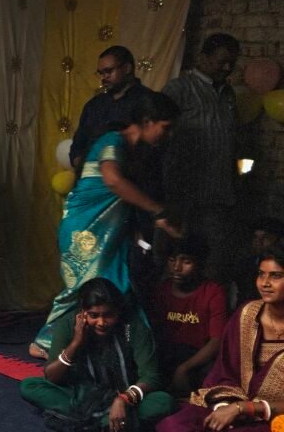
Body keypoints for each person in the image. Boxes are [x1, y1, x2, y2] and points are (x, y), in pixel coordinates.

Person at [31, 92, 182, 359]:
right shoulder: (113, 141)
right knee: (84, 284)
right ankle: (45, 343)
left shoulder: (133, 151)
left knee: (118, 282)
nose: (167, 136)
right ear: (148, 121)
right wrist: (158, 210)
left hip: (110, 229)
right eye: (165, 127)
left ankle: (112, 346)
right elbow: (113, 181)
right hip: (85, 226)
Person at [155, 246, 284, 432]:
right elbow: (225, 371)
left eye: (276, 276)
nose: (265, 283)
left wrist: (244, 408)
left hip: (274, 416)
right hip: (231, 402)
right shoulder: (247, 314)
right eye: (261, 274)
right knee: (173, 426)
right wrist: (224, 406)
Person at [20, 278, 175, 432]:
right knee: (30, 386)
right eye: (94, 315)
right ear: (82, 312)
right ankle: (107, 421)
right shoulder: (67, 325)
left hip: (124, 392)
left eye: (109, 315)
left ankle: (90, 421)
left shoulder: (131, 326)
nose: (101, 322)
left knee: (163, 401)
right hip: (82, 395)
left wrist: (123, 399)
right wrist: (75, 343)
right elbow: (52, 377)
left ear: (118, 311)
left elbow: (151, 376)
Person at [161, 33, 242, 285]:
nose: (227, 68)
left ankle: (207, 308)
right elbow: (159, 135)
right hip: (184, 193)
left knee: (213, 261)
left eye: (232, 63)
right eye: (221, 61)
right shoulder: (179, 89)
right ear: (203, 58)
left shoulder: (228, 93)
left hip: (217, 193)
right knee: (175, 258)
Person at [152, 237, 228, 398]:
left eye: (186, 262)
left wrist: (184, 368)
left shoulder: (213, 292)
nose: (176, 268)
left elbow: (217, 341)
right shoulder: (162, 290)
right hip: (167, 357)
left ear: (200, 264)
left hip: (199, 360)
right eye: (172, 260)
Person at [69, 46, 155, 174]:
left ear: (127, 68)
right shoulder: (94, 105)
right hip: (92, 179)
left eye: (108, 71)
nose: (104, 77)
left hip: (131, 179)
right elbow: (78, 146)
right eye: (101, 73)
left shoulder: (149, 101)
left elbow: (152, 149)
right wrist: (86, 168)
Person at [232, 217, 284, 307]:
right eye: (256, 237)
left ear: (278, 240)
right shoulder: (245, 265)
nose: (259, 242)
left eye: (265, 237)